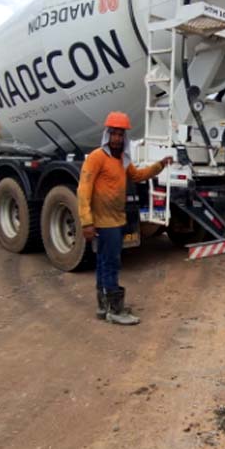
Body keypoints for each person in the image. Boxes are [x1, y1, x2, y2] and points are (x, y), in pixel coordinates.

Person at [78, 111, 173, 326]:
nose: (117, 139)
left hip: (117, 219)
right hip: (105, 222)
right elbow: (83, 190)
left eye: (121, 135)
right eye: (114, 134)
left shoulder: (122, 160)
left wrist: (160, 165)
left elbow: (137, 176)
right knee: (111, 263)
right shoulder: (96, 158)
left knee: (103, 262)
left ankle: (104, 306)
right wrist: (86, 222)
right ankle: (115, 310)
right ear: (107, 135)